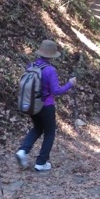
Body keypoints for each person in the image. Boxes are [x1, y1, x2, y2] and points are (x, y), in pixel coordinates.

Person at [15, 40, 77, 172]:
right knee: (50, 133)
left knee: (37, 128)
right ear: (52, 56)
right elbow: (56, 91)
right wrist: (70, 84)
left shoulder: (31, 65)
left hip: (32, 104)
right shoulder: (50, 70)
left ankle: (23, 151)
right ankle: (41, 162)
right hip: (46, 106)